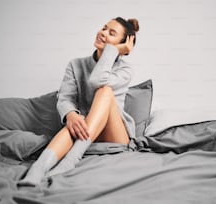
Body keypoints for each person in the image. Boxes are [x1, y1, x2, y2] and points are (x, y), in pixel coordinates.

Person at [18, 17, 139, 186]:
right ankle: (37, 169)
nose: (103, 33)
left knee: (105, 91)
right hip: (85, 131)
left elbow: (97, 81)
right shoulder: (75, 65)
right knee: (73, 123)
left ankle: (71, 160)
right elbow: (65, 97)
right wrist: (70, 115)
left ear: (122, 45)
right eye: (104, 28)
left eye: (111, 33)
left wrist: (112, 51)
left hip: (114, 136)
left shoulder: (125, 70)